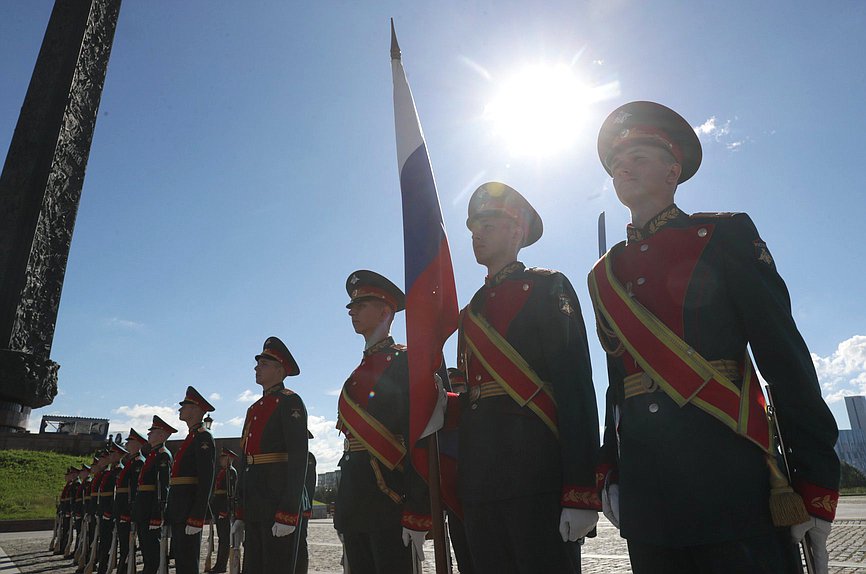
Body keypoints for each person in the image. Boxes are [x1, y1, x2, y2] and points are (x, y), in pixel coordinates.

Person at [589, 100, 840, 573]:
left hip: (730, 475)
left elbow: (783, 358)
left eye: (639, 155)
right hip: (649, 492)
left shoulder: (723, 235)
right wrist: (611, 468)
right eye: (617, 161)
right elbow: (618, 384)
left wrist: (814, 481)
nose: (624, 166)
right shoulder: (607, 274)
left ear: (672, 169)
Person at [445, 182, 600, 573]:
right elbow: (470, 396)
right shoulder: (470, 312)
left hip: (537, 473)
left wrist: (580, 491)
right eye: (473, 226)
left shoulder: (549, 287)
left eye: (489, 223)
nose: (477, 234)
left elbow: (576, 387)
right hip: (480, 478)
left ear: (517, 231)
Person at [334, 270, 430, 574]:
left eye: (362, 305)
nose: (353, 312)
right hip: (356, 503)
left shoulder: (407, 363)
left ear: (386, 310)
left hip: (391, 500)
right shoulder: (355, 375)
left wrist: (418, 509)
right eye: (352, 306)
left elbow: (422, 438)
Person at [233, 336, 309, 574]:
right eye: (258, 364)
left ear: (280, 369)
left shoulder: (289, 402)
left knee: (277, 565)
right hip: (255, 499)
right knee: (254, 566)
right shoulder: (254, 408)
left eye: (264, 364)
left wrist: (288, 510)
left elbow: (298, 459)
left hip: (276, 497)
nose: (256, 368)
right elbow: (245, 459)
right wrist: (241, 510)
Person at [166, 386, 216, 574]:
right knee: (181, 560)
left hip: (189, 509)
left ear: (195, 409)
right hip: (180, 507)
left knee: (188, 562)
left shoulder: (203, 437)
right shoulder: (192, 437)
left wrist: (197, 515)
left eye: (184, 406)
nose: (180, 410)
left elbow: (206, 479)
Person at [133, 415, 176, 574]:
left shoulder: (163, 455)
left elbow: (163, 486)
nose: (149, 434)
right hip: (144, 508)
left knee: (153, 551)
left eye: (153, 431)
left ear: (162, 435)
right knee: (146, 549)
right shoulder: (153, 454)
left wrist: (158, 513)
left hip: (152, 509)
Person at [116, 428, 147, 574]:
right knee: (124, 544)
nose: (127, 444)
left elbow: (134, 490)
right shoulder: (131, 462)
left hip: (129, 509)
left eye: (130, 441)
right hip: (123, 507)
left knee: (128, 545)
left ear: (137, 444)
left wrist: (130, 511)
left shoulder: (138, 463)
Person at [96, 441, 128, 574]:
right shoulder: (111, 471)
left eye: (112, 453)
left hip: (111, 512)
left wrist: (110, 511)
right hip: (104, 510)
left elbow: (115, 495)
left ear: (119, 455)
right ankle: (103, 566)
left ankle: (106, 567)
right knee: (104, 541)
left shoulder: (119, 470)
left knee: (111, 542)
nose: (110, 456)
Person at [209, 448, 238, 573]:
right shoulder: (223, 471)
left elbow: (231, 494)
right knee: (222, 538)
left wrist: (225, 510)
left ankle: (221, 565)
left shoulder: (230, 472)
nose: (221, 460)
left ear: (229, 459)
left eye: (223, 458)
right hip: (219, 506)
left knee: (225, 539)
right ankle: (219, 564)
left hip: (224, 508)